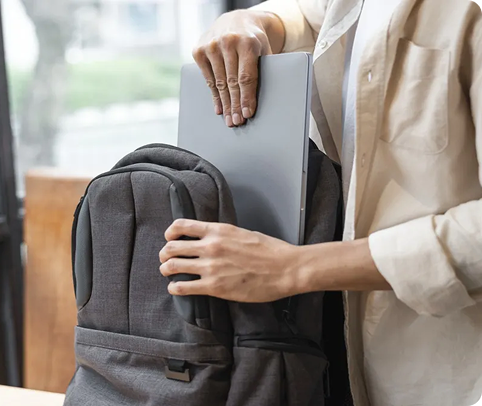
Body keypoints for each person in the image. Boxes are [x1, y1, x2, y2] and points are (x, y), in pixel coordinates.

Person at [159, 0, 482, 405]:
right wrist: (255, 22)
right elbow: (311, 14)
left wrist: (295, 267)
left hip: (457, 363)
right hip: (343, 352)